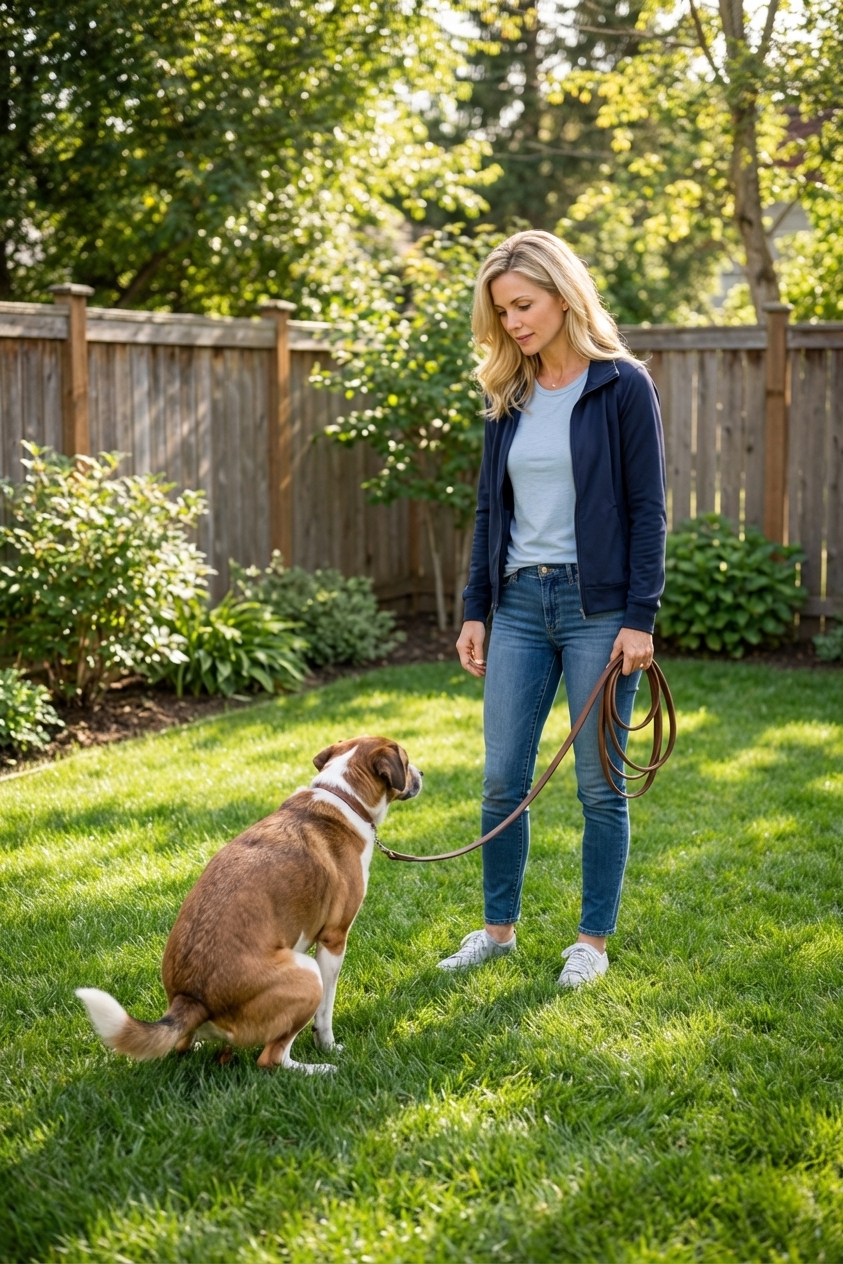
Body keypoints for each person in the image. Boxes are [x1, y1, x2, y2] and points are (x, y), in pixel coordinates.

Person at [437, 230, 666, 987]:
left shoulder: (622, 386)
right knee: (502, 778)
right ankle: (497, 930)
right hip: (519, 602)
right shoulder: (508, 394)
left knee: (598, 785)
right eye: (501, 311)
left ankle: (590, 942)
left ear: (563, 295)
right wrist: (476, 609)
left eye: (523, 305)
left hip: (598, 607)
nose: (513, 323)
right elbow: (486, 511)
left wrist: (641, 617)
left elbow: (646, 510)